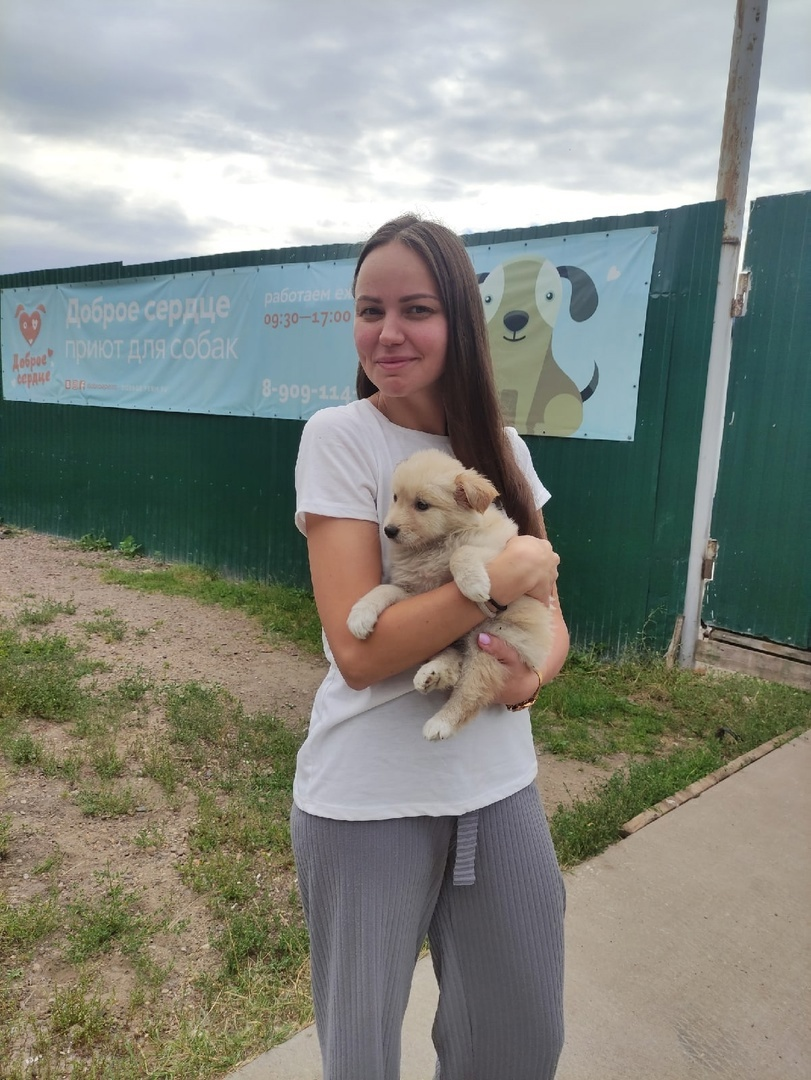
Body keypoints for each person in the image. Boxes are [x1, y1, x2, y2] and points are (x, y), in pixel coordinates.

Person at [292, 213, 570, 1080]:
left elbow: (551, 610)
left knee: (519, 1040)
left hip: (498, 784)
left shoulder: (501, 452)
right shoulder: (341, 437)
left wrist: (528, 681)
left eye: (415, 309)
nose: (387, 332)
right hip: (368, 798)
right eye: (368, 309)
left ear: (460, 320)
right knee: (362, 1055)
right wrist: (491, 583)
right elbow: (359, 652)